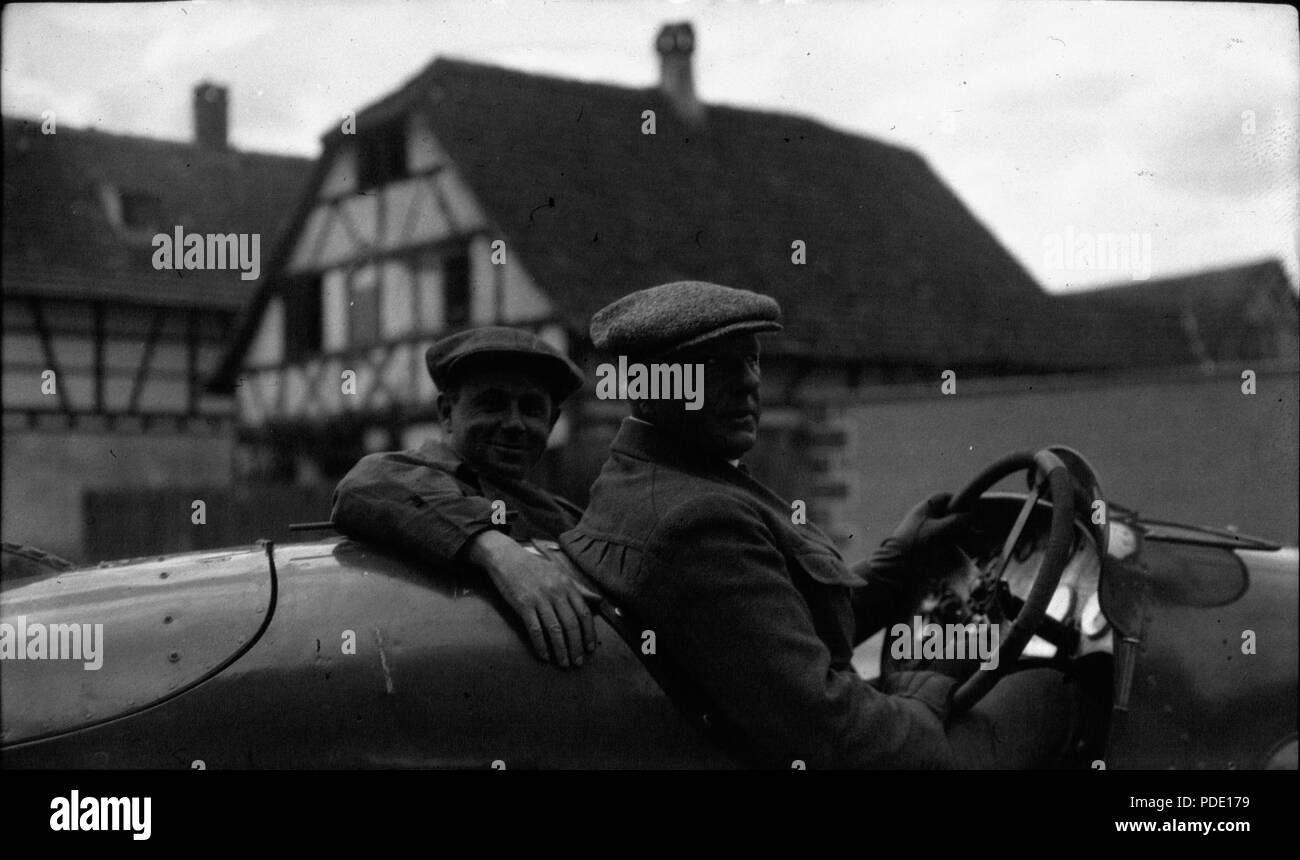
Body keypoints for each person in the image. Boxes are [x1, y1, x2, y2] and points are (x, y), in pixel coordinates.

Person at [559, 280, 1095, 768]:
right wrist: (922, 702)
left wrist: (897, 563)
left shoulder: (637, 478)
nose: (749, 384)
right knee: (1058, 691)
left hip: (772, 727)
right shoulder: (697, 520)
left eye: (752, 361)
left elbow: (772, 629)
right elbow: (825, 727)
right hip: (829, 745)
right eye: (719, 368)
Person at [332, 326, 597, 669]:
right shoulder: (407, 477)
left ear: (553, 420)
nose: (515, 423)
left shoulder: (563, 516)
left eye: (531, 409)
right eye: (492, 404)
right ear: (446, 412)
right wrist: (497, 551)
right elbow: (363, 484)